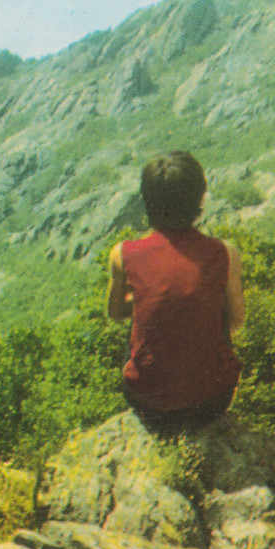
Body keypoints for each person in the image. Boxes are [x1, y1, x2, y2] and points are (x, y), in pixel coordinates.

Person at [106, 152, 245, 434]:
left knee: (138, 324)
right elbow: (236, 321)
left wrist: (149, 299)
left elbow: (115, 313)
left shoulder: (123, 254)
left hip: (149, 403)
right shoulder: (224, 253)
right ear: (199, 200)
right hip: (212, 401)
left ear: (147, 201)